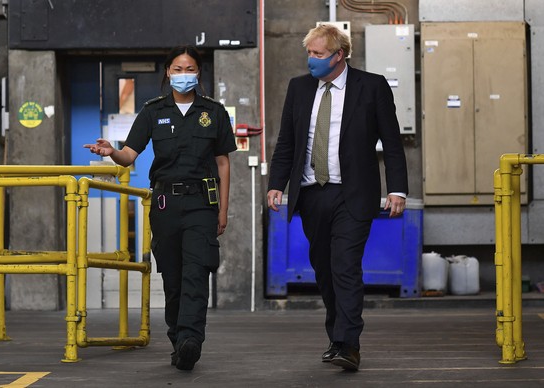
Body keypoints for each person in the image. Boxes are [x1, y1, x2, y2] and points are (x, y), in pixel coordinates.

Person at [84, 45, 237, 371]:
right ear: (168, 73)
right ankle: (178, 339)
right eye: (178, 69)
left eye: (190, 69)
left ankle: (191, 340)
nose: (184, 75)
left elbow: (223, 163)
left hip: (201, 204)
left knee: (197, 272)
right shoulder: (153, 112)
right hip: (166, 205)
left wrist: (223, 210)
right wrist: (110, 151)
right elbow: (129, 155)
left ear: (199, 73)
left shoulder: (214, 112)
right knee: (174, 278)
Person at [267, 24, 408, 372]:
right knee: (325, 271)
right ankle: (337, 337)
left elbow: (392, 141)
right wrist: (276, 184)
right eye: (309, 53)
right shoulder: (299, 88)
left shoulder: (371, 87)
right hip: (312, 194)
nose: (310, 60)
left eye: (317, 54)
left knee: (345, 265)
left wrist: (397, 188)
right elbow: (287, 142)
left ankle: (350, 344)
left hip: (353, 194)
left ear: (338, 55)